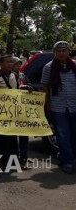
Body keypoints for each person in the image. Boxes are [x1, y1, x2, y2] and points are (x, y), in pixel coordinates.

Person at [41, 41, 76, 174]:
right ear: (55, 53)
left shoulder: (75, 66)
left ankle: (64, 156)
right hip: (58, 107)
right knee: (62, 135)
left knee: (74, 134)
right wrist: (47, 106)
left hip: (74, 106)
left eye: (64, 50)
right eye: (58, 51)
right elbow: (45, 87)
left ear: (69, 52)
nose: (61, 53)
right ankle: (68, 161)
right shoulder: (48, 67)